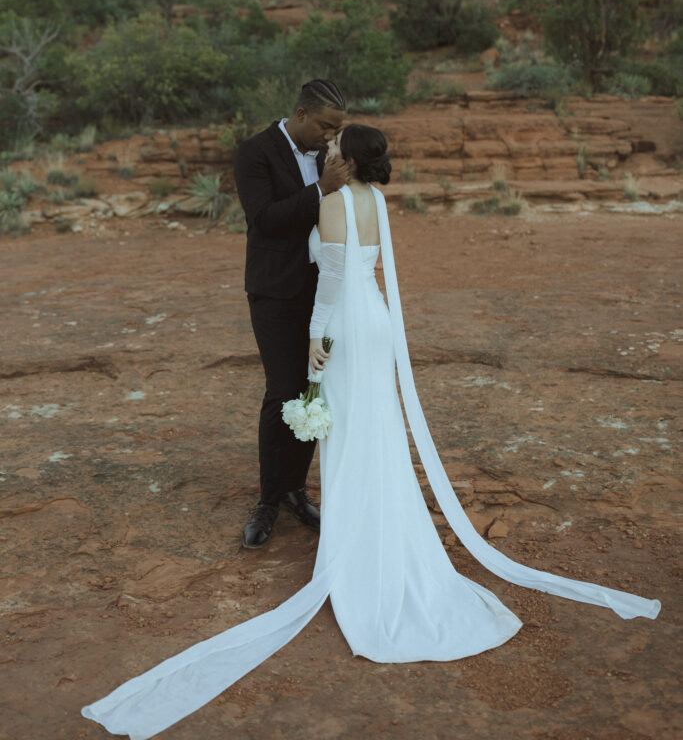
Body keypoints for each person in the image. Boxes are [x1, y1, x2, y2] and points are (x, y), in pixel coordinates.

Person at [82, 124, 660, 740]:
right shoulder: (377, 200)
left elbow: (330, 279)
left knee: (350, 434)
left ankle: (355, 550)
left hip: (347, 331)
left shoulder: (332, 201)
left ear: (347, 157)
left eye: (336, 147)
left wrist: (315, 343)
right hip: (376, 321)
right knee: (375, 433)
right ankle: (377, 527)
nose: (327, 150)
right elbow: (366, 267)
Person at [232, 79, 348, 549]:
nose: (330, 136)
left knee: (312, 390)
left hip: (322, 295)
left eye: (336, 129)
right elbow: (266, 219)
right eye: (325, 126)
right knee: (282, 391)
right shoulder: (254, 152)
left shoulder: (328, 158)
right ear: (301, 114)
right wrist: (322, 189)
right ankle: (267, 500)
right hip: (275, 292)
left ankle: (297, 490)